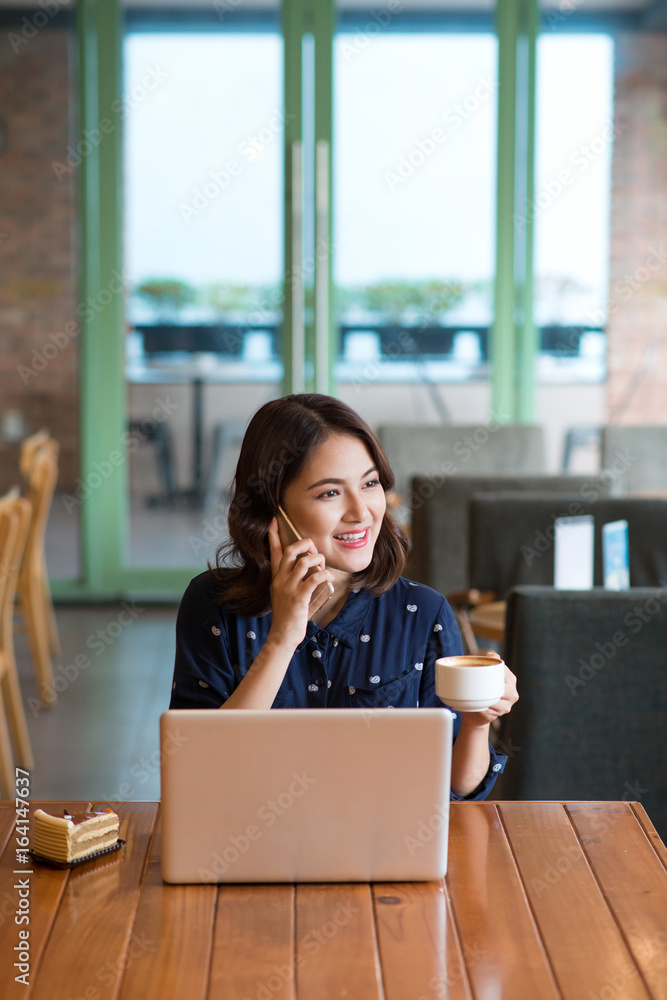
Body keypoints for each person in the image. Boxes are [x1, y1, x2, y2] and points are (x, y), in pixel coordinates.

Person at [170, 393, 518, 799]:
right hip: (250, 848)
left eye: (369, 484)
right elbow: (200, 768)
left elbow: (459, 787)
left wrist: (477, 721)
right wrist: (282, 639)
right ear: (273, 512)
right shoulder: (213, 604)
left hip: (389, 852)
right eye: (329, 493)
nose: (361, 511)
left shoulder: (422, 612)